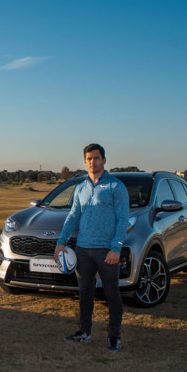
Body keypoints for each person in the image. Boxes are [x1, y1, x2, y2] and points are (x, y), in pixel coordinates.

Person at [54, 143, 129, 353]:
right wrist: (61, 242)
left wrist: (116, 248)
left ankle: (114, 337)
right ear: (84, 161)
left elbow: (123, 220)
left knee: (112, 293)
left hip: (106, 251)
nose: (92, 162)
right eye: (89, 158)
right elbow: (73, 215)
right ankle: (84, 333)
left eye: (96, 158)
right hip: (83, 249)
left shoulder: (116, 187)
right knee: (85, 292)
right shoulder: (81, 188)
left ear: (104, 160)